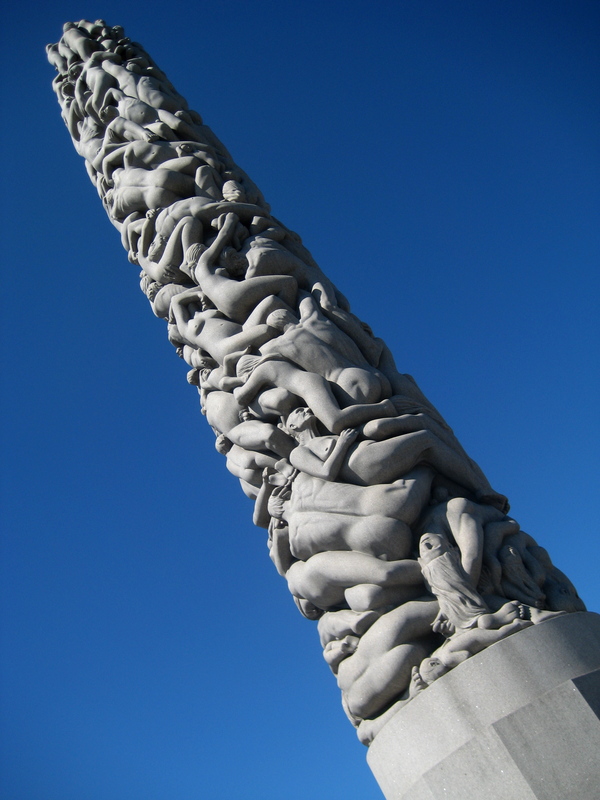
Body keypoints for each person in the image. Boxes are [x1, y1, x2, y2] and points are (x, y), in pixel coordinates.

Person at [283, 407, 509, 508]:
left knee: (427, 454)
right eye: (297, 412)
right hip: (362, 466)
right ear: (292, 426)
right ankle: (481, 490)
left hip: (370, 456)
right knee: (426, 440)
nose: (303, 409)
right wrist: (342, 444)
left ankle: (472, 492)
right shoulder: (298, 452)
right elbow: (326, 473)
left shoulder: (324, 436)